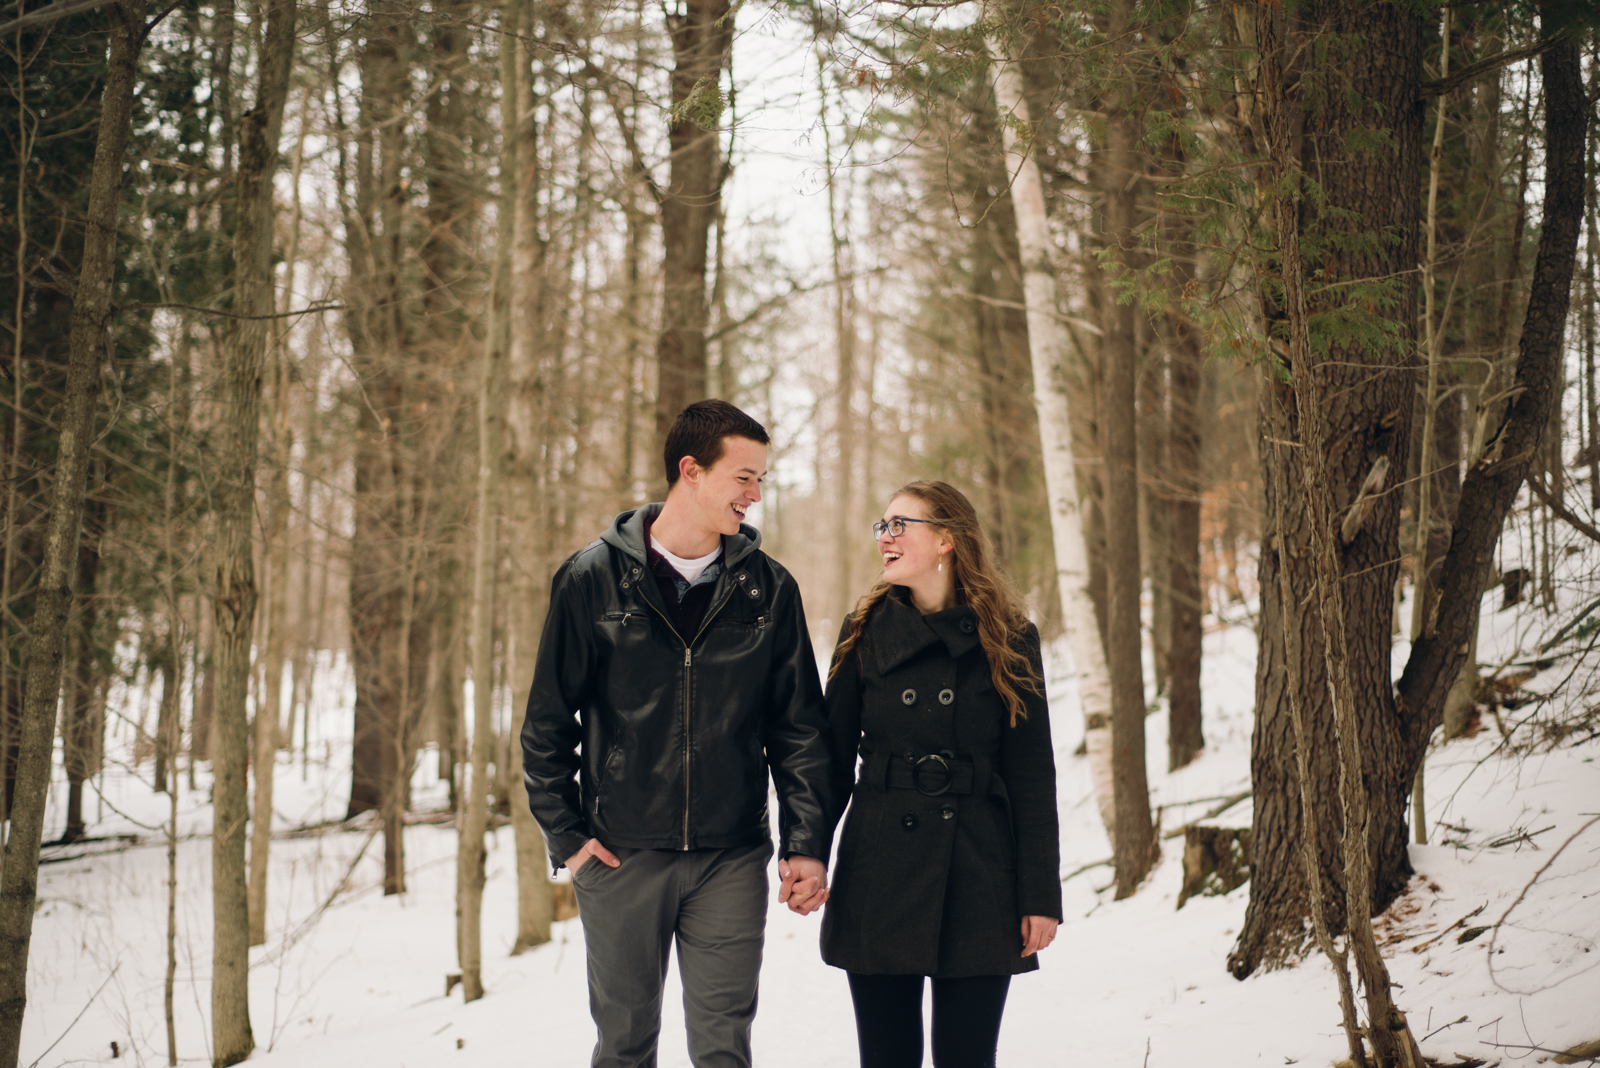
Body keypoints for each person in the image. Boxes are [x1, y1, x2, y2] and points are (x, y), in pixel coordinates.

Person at [521, 400, 834, 1068]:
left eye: (761, 481)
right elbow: (547, 723)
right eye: (743, 477)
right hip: (622, 855)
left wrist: (805, 840)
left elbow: (799, 729)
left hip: (731, 855)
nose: (755, 495)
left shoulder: (768, 590)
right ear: (690, 471)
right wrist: (569, 838)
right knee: (625, 1045)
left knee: (724, 1047)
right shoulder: (591, 579)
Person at [820, 480, 1062, 1068]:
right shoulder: (863, 629)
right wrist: (805, 850)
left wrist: (1040, 894)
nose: (887, 537)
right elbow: (828, 759)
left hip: (979, 870)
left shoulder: (1010, 636)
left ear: (948, 539)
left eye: (901, 524)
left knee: (968, 1059)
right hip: (880, 870)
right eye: (883, 525)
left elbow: (1032, 774)